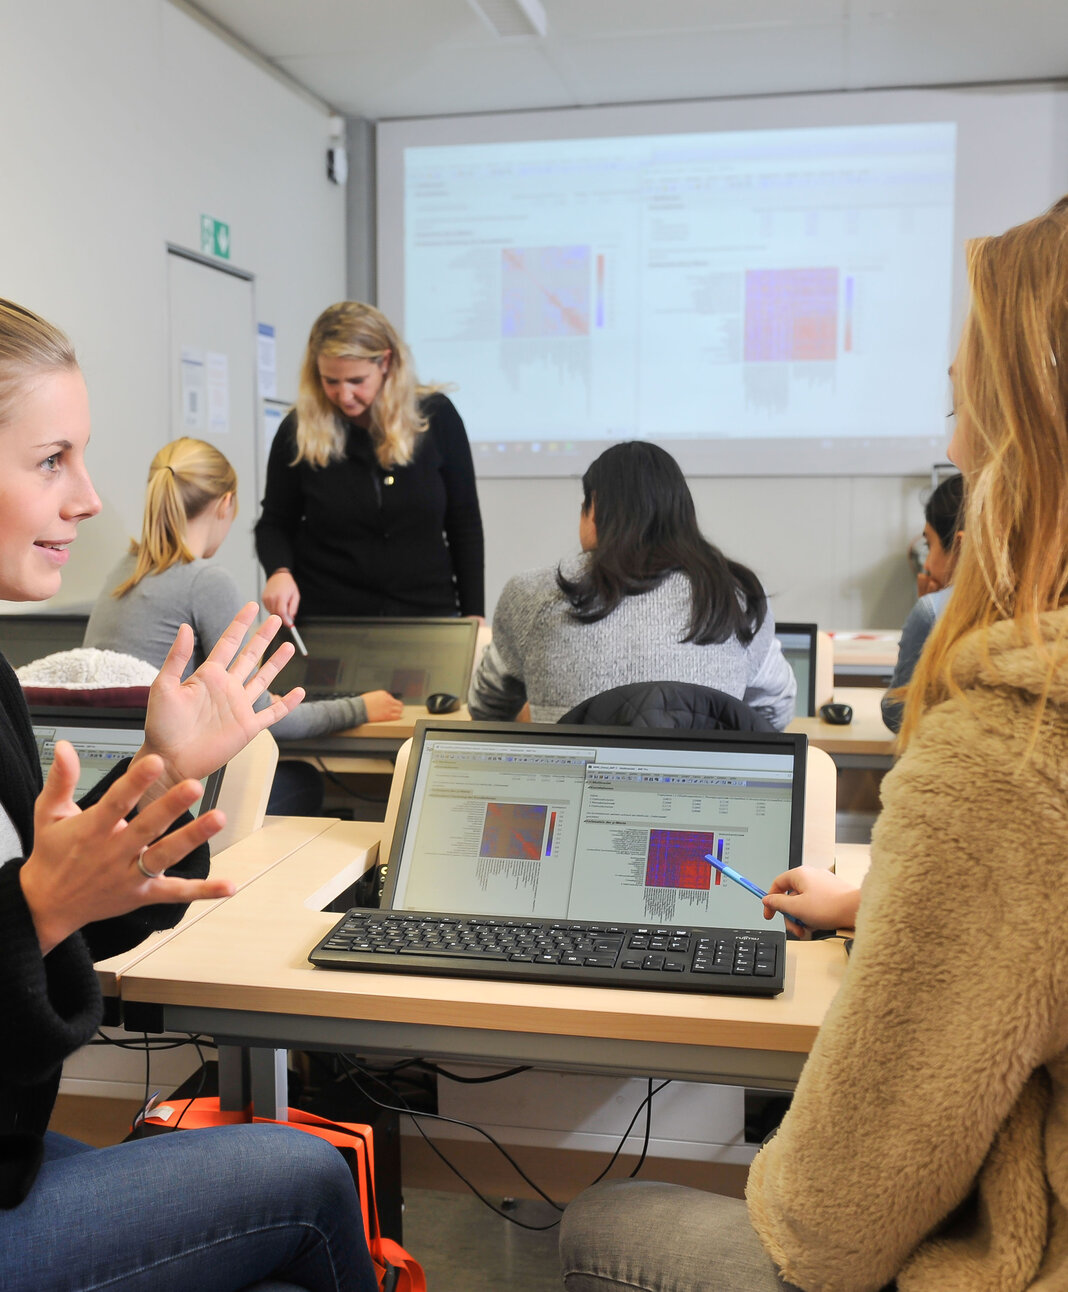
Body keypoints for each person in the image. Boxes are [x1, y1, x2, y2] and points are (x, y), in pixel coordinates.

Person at [0, 288, 378, 1292]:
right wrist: (32, 906)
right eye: (51, 460)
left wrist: (167, 773)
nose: (90, 497)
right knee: (308, 1177)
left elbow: (53, 919)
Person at [560, 196, 1068, 1290]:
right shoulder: (739, 600)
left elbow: (830, 1224)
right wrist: (891, 903)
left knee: (595, 1224)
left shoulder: (1007, 754)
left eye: (963, 408)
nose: (949, 448)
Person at [85, 437, 404, 812]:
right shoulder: (205, 580)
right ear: (226, 504)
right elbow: (267, 720)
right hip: (174, 793)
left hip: (111, 787)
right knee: (305, 781)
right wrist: (360, 708)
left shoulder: (122, 573)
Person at [468, 440, 796, 728]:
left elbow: (486, 707)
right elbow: (775, 710)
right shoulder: (735, 596)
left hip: (571, 796)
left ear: (593, 509)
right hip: (699, 795)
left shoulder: (531, 595)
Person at [254, 300, 484, 621]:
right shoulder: (298, 430)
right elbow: (274, 523)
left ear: (385, 363)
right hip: (329, 617)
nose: (344, 395)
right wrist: (279, 571)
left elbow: (465, 523)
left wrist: (474, 613)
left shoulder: (436, 417)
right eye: (330, 381)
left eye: (356, 381)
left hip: (425, 614)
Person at [881, 471, 965, 731]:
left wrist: (926, 608)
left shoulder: (933, 611)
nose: (927, 564)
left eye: (930, 546)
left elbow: (899, 715)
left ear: (960, 547)